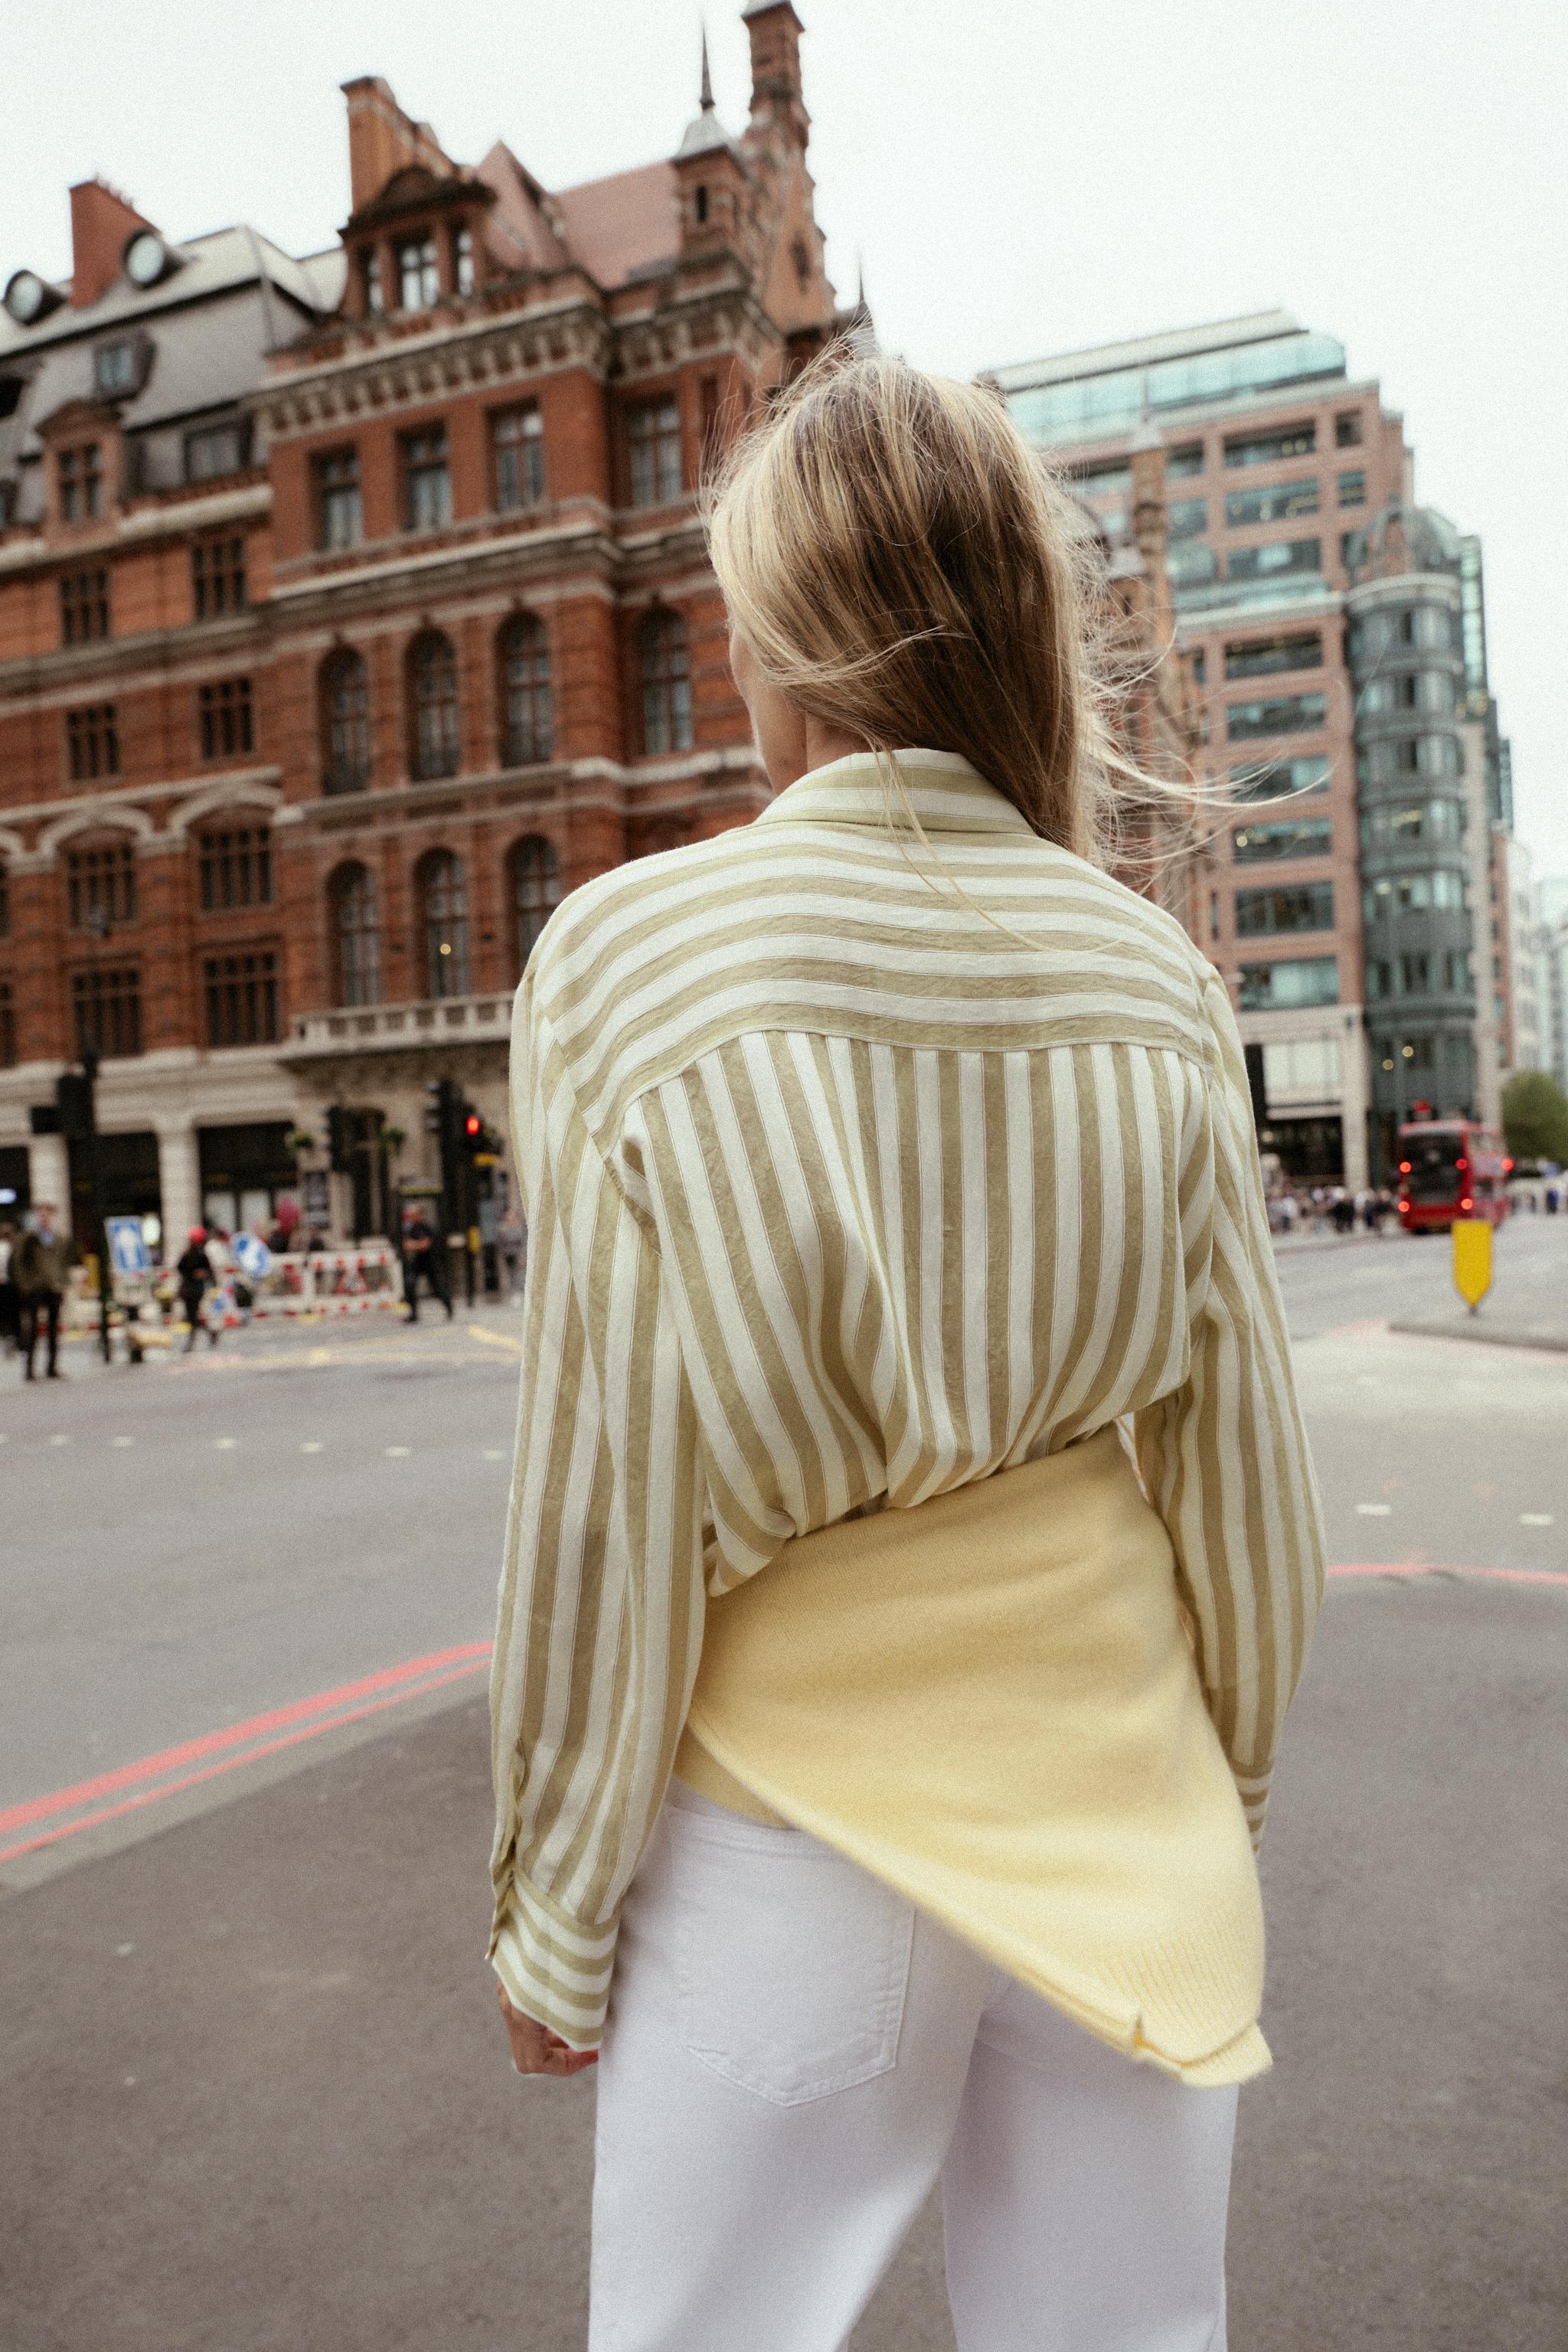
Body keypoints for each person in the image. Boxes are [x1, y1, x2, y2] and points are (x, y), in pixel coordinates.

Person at [487, 354, 1325, 2349]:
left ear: (773, 639)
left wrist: (555, 1908)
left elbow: (604, 1507)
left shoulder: (626, 956)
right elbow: (1250, 1504)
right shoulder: (1162, 985)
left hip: (787, 1816)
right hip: (1123, 1808)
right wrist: (1222, 1798)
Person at [15, 1203, 70, 1381]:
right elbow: (19, 1261)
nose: (44, 1216)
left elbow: (64, 1263)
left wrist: (63, 1283)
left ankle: (52, 1367)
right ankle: (30, 1368)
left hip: (54, 1286)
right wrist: (25, 1283)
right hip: (36, 1287)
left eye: (47, 1213)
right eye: (41, 1213)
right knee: (33, 1328)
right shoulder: (29, 1237)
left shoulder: (59, 1238)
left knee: (54, 1328)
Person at [401, 1209, 452, 1323]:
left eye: (415, 1215)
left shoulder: (429, 1227)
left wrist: (416, 1245)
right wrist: (418, 1245)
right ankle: (413, 1314)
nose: (413, 1218)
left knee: (438, 1288)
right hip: (418, 1262)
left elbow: (426, 1245)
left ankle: (448, 1306)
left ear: (421, 1215)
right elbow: (407, 1245)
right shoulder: (412, 1229)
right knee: (410, 1285)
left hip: (430, 1262)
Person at [175, 1227, 217, 1352]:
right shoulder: (186, 1255)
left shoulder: (202, 1256)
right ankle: (210, 1333)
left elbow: (210, 1272)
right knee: (192, 1316)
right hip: (188, 1290)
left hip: (197, 1290)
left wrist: (203, 1275)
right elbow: (180, 1269)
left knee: (192, 1316)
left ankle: (191, 1342)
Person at [496, 1204, 526, 1304]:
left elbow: (523, 1242)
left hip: (517, 1254)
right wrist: (501, 1255)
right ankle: (511, 1293)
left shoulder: (519, 1228)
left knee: (518, 1274)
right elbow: (500, 1244)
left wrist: (523, 1255)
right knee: (510, 1274)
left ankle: (518, 1294)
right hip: (508, 1255)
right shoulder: (503, 1229)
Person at [0, 1217, 18, 1355]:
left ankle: (6, 1335)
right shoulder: (12, 1248)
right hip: (11, 1284)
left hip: (3, 1284)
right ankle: (13, 1338)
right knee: (12, 1312)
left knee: (3, 1313)